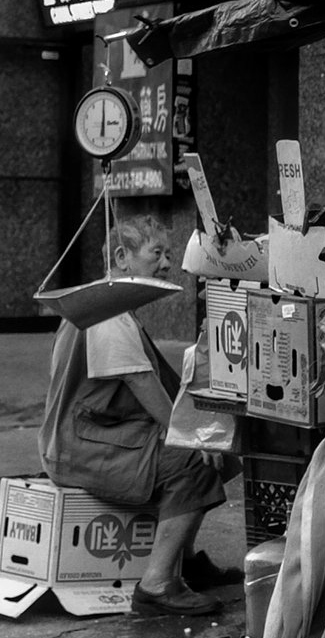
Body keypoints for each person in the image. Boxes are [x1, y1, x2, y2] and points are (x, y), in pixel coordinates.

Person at [41, 215, 227, 615]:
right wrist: (194, 438)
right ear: (122, 258)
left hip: (89, 435)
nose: (165, 264)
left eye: (168, 254)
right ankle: (158, 583)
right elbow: (144, 387)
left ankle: (184, 559)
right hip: (80, 446)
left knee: (215, 452)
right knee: (196, 460)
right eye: (157, 254)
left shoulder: (103, 304)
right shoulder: (108, 314)